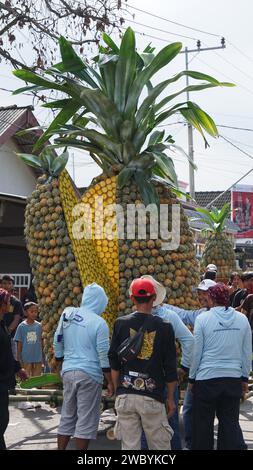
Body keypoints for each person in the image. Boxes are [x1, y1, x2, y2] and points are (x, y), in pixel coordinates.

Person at [108, 278, 177, 450]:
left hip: (126, 396)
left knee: (130, 448)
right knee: (160, 448)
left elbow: (114, 361)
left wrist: (118, 390)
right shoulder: (165, 327)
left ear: (132, 299)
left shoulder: (120, 323)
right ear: (154, 298)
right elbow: (170, 367)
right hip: (152, 396)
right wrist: (170, 397)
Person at [189, 283, 252, 450]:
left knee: (202, 426)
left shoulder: (203, 319)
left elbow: (197, 353)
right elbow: (246, 353)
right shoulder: (242, 319)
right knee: (229, 425)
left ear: (211, 298)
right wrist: (244, 377)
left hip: (206, 380)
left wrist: (192, 378)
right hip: (232, 380)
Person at [53, 283, 113, 451]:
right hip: (89, 375)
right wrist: (109, 381)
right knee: (85, 420)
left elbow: (57, 339)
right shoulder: (100, 323)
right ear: (100, 302)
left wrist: (60, 362)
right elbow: (103, 354)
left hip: (68, 371)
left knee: (67, 416)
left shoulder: (68, 313)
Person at [140, 275, 194, 450]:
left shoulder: (130, 319)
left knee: (145, 426)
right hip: (167, 378)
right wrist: (184, 367)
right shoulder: (169, 316)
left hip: (142, 380)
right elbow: (189, 341)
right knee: (170, 425)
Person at [0, 288, 27, 450]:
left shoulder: (3, 323)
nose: (10, 304)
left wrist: (18, 368)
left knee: (3, 421)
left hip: (4, 382)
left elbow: (8, 352)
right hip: (0, 381)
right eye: (7, 301)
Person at [14, 302, 43, 377]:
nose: (34, 313)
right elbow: (19, 343)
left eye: (36, 311)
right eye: (31, 311)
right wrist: (18, 358)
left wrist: (43, 356)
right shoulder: (21, 326)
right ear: (26, 312)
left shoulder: (39, 326)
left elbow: (42, 341)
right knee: (27, 379)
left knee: (37, 379)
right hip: (26, 358)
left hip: (37, 358)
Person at [1, 275, 24, 357]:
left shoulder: (16, 302)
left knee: (11, 359)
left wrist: (7, 331)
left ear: (12, 285)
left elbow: (16, 319)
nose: (6, 285)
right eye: (4, 283)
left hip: (10, 336)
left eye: (9, 283)